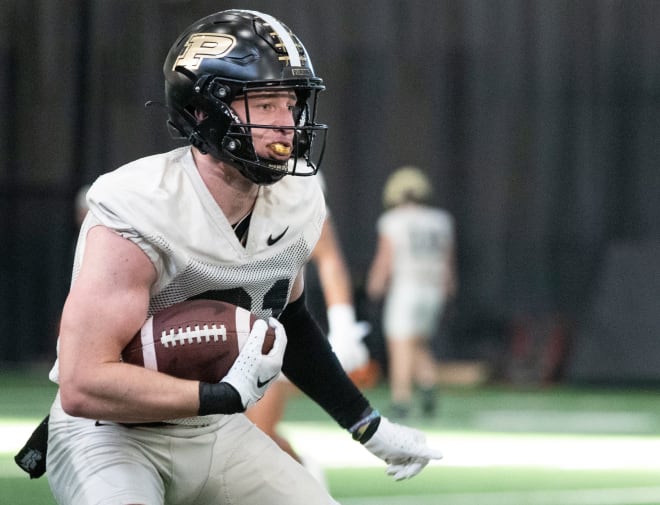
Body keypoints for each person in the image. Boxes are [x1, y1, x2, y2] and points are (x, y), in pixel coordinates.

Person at [43, 10, 441, 505]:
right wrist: (220, 396)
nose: (288, 123)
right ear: (205, 111)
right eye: (266, 103)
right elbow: (83, 384)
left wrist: (366, 424)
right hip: (109, 433)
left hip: (214, 431)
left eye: (292, 103)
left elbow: (290, 319)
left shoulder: (298, 198)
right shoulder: (137, 205)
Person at [246, 206, 371, 482]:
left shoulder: (297, 178)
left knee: (257, 436)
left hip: (268, 325)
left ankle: (308, 482)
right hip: (211, 320)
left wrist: (343, 323)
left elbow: (326, 252)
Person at [367, 165, 457, 419]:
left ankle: (401, 398)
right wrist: (449, 287)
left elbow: (386, 259)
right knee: (418, 342)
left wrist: (376, 284)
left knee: (400, 345)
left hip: (406, 288)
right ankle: (428, 384)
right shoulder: (441, 220)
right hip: (433, 288)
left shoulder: (393, 221)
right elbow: (448, 262)